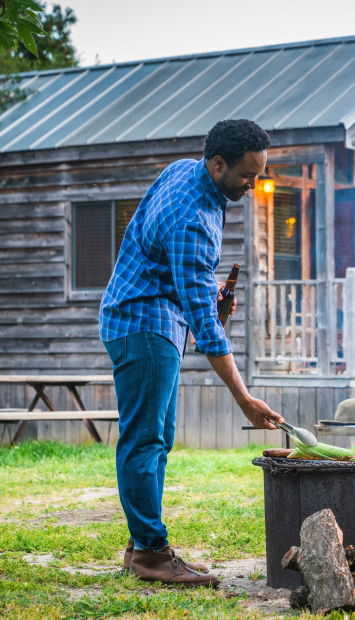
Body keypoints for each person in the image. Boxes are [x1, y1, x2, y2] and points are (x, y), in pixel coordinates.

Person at [99, 119, 284, 587]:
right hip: (142, 323)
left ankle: (142, 543)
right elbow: (205, 328)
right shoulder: (192, 219)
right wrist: (243, 397)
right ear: (217, 163)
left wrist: (204, 295)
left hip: (148, 315)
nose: (253, 184)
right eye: (247, 174)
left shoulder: (185, 169)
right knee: (145, 439)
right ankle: (150, 552)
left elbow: (167, 262)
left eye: (259, 173)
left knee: (157, 435)